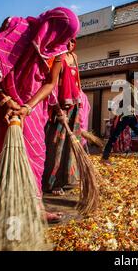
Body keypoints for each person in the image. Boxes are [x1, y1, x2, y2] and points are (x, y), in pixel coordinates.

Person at [0, 7, 80, 224]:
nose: (62, 41)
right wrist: (5, 97)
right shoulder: (16, 28)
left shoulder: (57, 50)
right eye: (60, 34)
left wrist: (27, 107)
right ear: (51, 26)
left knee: (35, 158)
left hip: (30, 112)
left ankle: (36, 207)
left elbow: (50, 83)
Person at [42, 39, 84, 196]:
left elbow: (77, 82)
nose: (69, 44)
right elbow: (51, 84)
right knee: (56, 144)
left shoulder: (74, 57)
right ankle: (53, 183)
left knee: (72, 143)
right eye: (67, 41)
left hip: (74, 105)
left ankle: (68, 178)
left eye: (72, 41)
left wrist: (80, 102)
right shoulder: (56, 56)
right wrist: (57, 108)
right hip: (59, 105)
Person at [101, 80, 138, 165]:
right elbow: (135, 104)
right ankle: (104, 157)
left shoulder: (135, 90)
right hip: (125, 116)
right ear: (133, 80)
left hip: (130, 116)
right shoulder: (130, 89)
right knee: (114, 136)